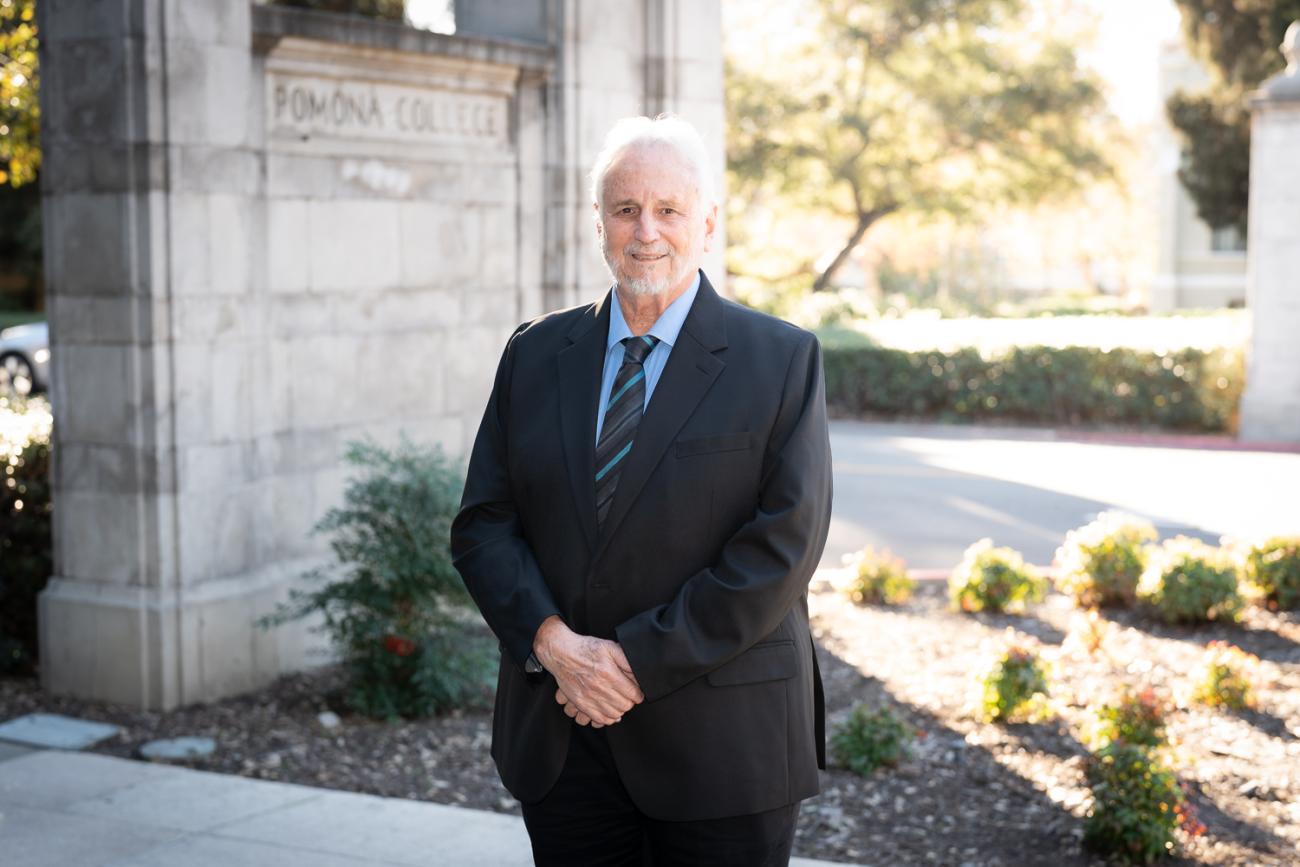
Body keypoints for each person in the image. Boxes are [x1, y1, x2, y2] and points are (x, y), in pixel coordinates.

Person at [450, 114, 833, 866]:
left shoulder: (780, 359)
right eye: (625, 209)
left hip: (723, 749)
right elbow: (484, 526)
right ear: (599, 223)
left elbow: (781, 548)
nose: (645, 231)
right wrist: (553, 645)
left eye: (668, 210)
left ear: (708, 225)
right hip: (566, 740)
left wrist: (627, 663)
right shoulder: (534, 354)